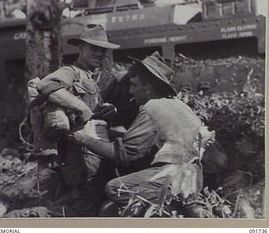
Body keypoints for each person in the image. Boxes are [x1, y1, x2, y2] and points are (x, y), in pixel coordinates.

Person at [69, 51, 215, 216]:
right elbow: (147, 142)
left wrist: (83, 139)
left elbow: (124, 154)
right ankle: (187, 202)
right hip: (195, 176)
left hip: (172, 176)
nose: (131, 91)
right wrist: (109, 132)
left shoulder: (151, 108)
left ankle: (174, 208)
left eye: (134, 85)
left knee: (116, 188)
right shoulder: (180, 106)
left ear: (148, 88)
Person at [35, 24, 120, 217]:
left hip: (93, 150)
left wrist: (107, 110)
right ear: (80, 48)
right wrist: (80, 106)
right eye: (93, 48)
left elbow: (89, 110)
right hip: (80, 154)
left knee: (92, 199)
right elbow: (45, 85)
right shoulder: (71, 72)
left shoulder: (91, 78)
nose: (99, 53)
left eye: (102, 50)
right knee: (83, 204)